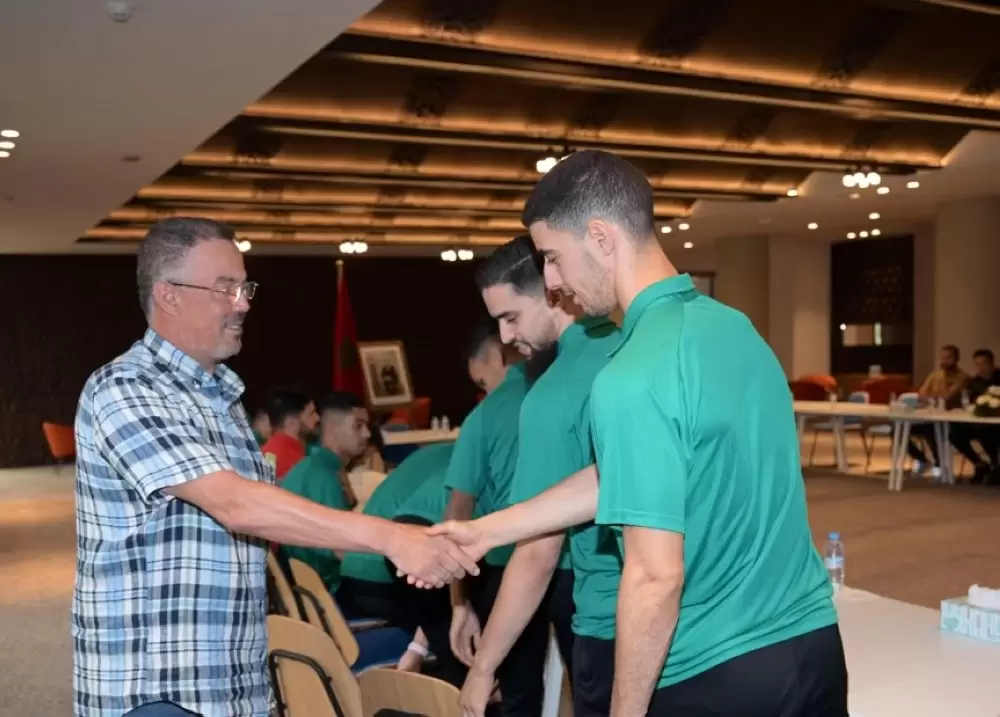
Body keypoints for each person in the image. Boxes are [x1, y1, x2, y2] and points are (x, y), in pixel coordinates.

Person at [432, 150, 846, 717]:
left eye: (552, 257)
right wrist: (490, 529)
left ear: (601, 237)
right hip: (813, 648)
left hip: (713, 671)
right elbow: (633, 473)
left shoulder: (632, 374)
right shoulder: (735, 327)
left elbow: (654, 577)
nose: (552, 282)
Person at [72, 217, 478, 717]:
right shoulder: (126, 389)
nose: (243, 302)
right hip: (159, 688)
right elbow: (236, 504)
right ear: (169, 295)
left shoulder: (222, 398)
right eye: (225, 288)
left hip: (232, 684)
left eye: (245, 287)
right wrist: (390, 537)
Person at [457, 235, 620, 717]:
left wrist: (484, 666)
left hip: (607, 624)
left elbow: (535, 554)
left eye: (511, 317)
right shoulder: (633, 347)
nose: (505, 339)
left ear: (553, 292)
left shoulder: (553, 394)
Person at [441, 319, 553, 717]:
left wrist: (459, 604)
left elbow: (457, 514)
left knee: (518, 690)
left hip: (507, 569)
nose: (482, 392)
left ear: (493, 355)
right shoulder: (559, 391)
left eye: (481, 381)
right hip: (574, 567)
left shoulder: (484, 417)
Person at [280, 392, 373, 592]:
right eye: (358, 426)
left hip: (309, 585)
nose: (367, 433)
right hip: (328, 590)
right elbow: (339, 548)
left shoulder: (318, 464)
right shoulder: (322, 475)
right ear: (332, 428)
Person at [907, 344, 969, 475]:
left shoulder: (962, 377)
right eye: (942, 358)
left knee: (933, 429)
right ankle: (922, 459)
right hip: (932, 416)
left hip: (953, 420)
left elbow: (946, 397)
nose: (944, 361)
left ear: (956, 359)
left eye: (948, 358)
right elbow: (921, 395)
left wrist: (933, 394)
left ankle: (939, 464)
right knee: (898, 430)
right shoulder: (935, 375)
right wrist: (932, 396)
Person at [953, 348, 1000, 483]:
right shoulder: (974, 382)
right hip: (979, 421)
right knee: (955, 433)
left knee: (989, 433)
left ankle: (996, 467)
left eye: (984, 363)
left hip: (996, 424)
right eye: (977, 364)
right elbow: (970, 403)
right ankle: (980, 464)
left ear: (992, 363)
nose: (981, 367)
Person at [259, 387, 319, 481]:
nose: (317, 418)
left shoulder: (267, 451)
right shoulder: (294, 461)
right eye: (311, 414)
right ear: (292, 422)